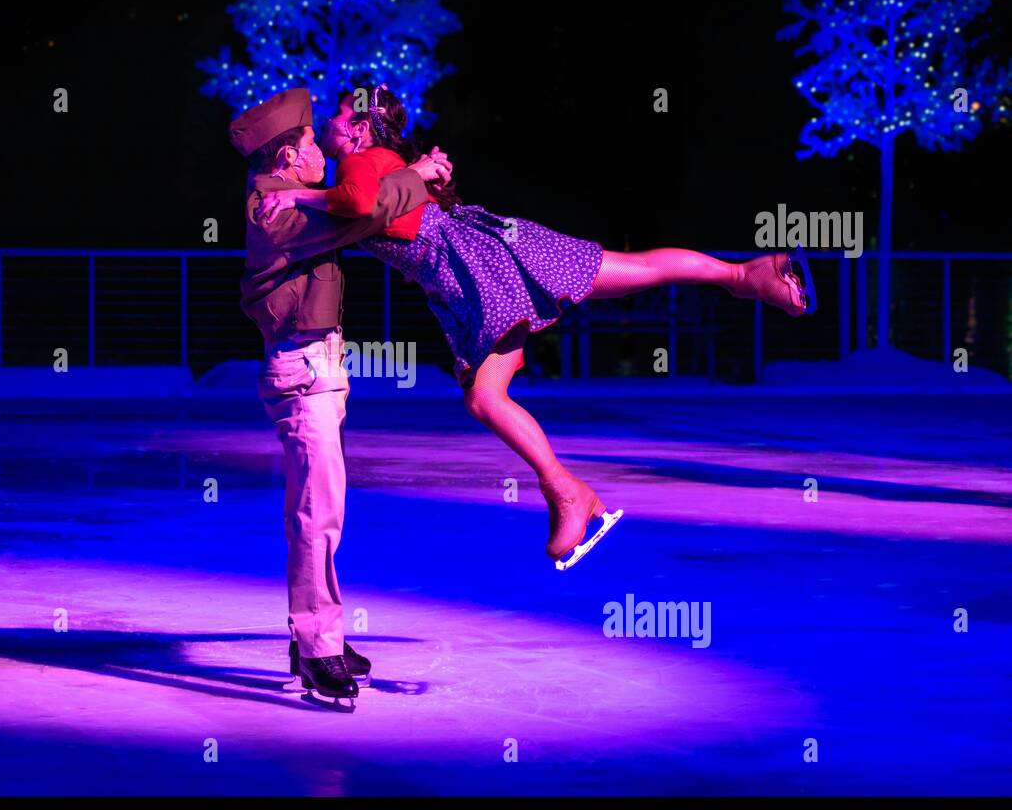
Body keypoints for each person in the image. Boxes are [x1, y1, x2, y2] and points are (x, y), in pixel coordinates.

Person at [257, 83, 816, 570]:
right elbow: (365, 212)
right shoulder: (381, 161)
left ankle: (746, 273)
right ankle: (567, 488)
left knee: (501, 383)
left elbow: (355, 203)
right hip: (481, 262)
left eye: (333, 116)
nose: (324, 126)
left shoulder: (362, 160)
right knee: (491, 391)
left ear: (356, 127)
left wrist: (296, 191)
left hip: (486, 264)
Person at [230, 87, 452, 708]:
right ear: (285, 159)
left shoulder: (285, 198)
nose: (317, 152)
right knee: (315, 516)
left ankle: (316, 636)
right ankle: (316, 644)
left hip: (320, 367)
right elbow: (368, 213)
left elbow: (366, 207)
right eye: (306, 145)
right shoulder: (273, 209)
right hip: (302, 372)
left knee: (324, 515)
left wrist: (411, 177)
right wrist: (418, 174)